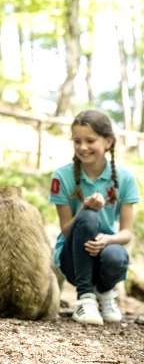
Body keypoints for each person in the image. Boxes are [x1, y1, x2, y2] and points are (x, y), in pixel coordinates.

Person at [49, 109, 139, 325]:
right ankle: (85, 297)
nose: (83, 147)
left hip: (106, 252)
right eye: (77, 141)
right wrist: (84, 209)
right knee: (89, 217)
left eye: (90, 140)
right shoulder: (61, 177)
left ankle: (106, 293)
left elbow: (126, 233)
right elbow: (65, 229)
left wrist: (107, 239)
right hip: (72, 258)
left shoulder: (125, 179)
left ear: (107, 141)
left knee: (116, 256)